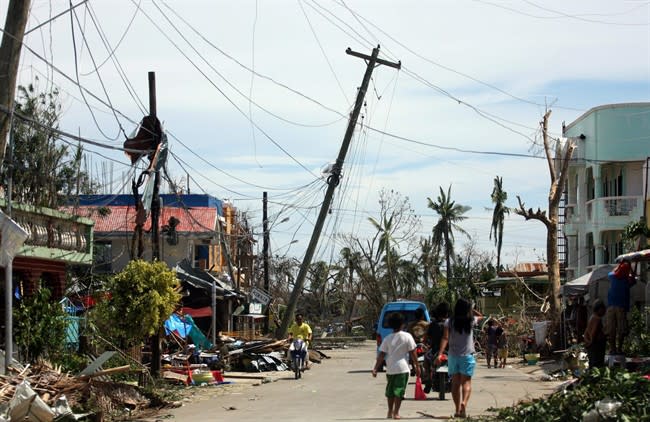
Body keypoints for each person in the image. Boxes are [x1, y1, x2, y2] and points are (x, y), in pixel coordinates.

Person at [435, 298, 483, 419]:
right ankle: (464, 404)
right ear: (467, 309)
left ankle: (457, 410)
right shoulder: (471, 320)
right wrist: (471, 309)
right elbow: (481, 316)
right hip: (467, 356)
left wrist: (440, 353)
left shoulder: (449, 322)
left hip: (453, 356)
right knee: (466, 383)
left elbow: (445, 338)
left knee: (455, 383)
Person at [372, 312, 420, 420]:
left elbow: (381, 355)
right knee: (399, 391)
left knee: (390, 391)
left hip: (390, 369)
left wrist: (375, 368)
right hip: (403, 369)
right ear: (403, 324)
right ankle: (396, 412)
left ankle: (390, 411)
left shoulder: (387, 338)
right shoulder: (407, 336)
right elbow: (413, 353)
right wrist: (417, 366)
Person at [606, 259, 636, 354]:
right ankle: (619, 348)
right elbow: (633, 279)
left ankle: (613, 349)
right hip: (621, 307)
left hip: (611, 306)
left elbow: (612, 272)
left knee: (611, 329)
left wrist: (620, 264)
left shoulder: (613, 277)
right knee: (621, 329)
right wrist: (630, 267)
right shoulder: (626, 281)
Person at [423, 302, 449, 393]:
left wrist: (426, 344)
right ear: (446, 313)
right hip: (450, 351)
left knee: (426, 361)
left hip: (435, 351)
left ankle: (428, 380)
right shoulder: (450, 324)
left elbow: (425, 338)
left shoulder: (432, 325)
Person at [583, 299, 607, 369]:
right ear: (599, 309)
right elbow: (593, 333)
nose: (605, 311)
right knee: (597, 366)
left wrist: (587, 342)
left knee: (592, 365)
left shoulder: (592, 317)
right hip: (596, 346)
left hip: (592, 346)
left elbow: (586, 332)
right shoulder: (597, 319)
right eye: (603, 309)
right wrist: (591, 342)